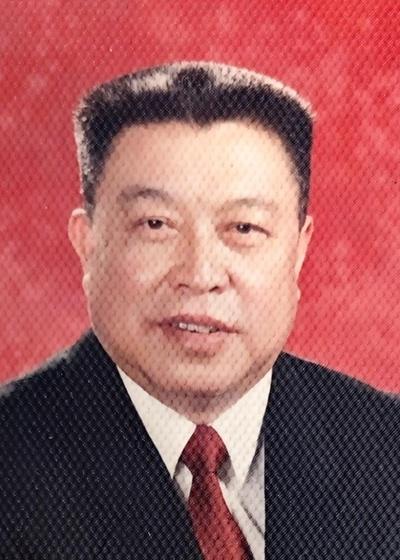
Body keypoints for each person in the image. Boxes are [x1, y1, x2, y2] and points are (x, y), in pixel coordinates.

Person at [1, 62, 398, 560]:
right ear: (89, 245)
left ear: (299, 251)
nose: (200, 273)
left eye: (244, 228)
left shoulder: (384, 449)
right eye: (156, 224)